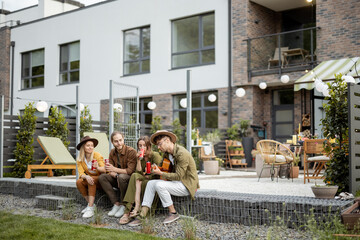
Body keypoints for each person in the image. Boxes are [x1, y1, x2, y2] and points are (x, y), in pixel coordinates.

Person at [129, 130, 199, 226]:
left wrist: (160, 172)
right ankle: (142, 215)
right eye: (157, 145)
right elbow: (163, 169)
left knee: (159, 185)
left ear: (167, 141)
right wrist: (153, 171)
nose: (158, 147)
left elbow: (178, 176)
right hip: (176, 183)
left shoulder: (181, 153)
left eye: (159, 144)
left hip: (187, 185)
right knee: (150, 183)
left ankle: (173, 213)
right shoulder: (167, 154)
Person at [119, 136, 162, 224]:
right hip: (143, 178)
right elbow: (138, 172)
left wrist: (148, 176)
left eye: (144, 145)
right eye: (140, 145)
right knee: (134, 175)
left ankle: (132, 210)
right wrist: (138, 160)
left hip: (153, 179)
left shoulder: (155, 155)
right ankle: (132, 209)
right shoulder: (140, 157)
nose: (142, 148)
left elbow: (159, 172)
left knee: (138, 180)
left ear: (148, 146)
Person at [98, 131, 137, 218]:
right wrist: (116, 175)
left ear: (123, 139)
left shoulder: (131, 151)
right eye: (116, 141)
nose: (119, 143)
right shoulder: (112, 152)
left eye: (120, 140)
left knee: (122, 177)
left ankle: (124, 205)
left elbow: (130, 171)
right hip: (118, 178)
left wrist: (115, 171)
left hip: (129, 180)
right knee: (102, 177)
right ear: (112, 142)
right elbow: (109, 170)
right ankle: (116, 204)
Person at [76, 136, 106, 218]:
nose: (90, 147)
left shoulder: (97, 155)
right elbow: (81, 173)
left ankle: (90, 207)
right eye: (88, 145)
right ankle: (91, 206)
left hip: (101, 179)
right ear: (83, 147)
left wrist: (97, 167)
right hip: (91, 178)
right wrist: (86, 177)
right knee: (79, 182)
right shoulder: (80, 159)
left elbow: (104, 170)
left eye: (92, 145)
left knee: (91, 179)